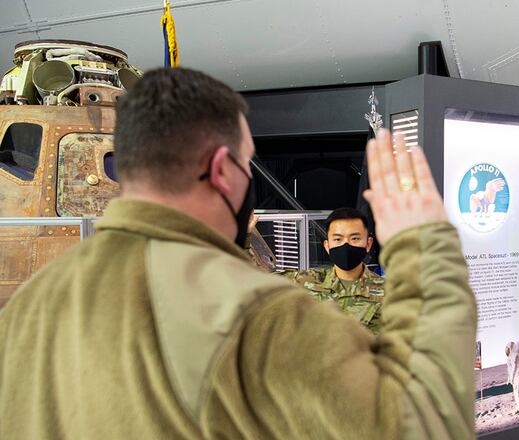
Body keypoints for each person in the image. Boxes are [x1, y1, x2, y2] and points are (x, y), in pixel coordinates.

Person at [0, 68, 477, 439]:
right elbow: (423, 423)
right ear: (221, 170)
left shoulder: (30, 308)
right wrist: (425, 248)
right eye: (246, 161)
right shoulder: (258, 314)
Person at [280, 207, 386, 333]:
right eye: (337, 239)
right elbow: (261, 280)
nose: (346, 245)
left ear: (368, 244)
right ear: (327, 246)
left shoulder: (389, 292)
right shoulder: (304, 280)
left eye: (355, 238)